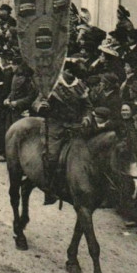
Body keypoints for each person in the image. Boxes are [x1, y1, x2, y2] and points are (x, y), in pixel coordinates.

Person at [34, 62, 92, 205]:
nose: (73, 77)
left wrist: (87, 117)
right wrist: (41, 106)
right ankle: (49, 188)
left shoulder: (80, 87)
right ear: (64, 71)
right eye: (70, 73)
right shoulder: (52, 85)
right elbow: (36, 101)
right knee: (52, 156)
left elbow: (88, 106)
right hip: (55, 125)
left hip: (75, 126)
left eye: (75, 74)